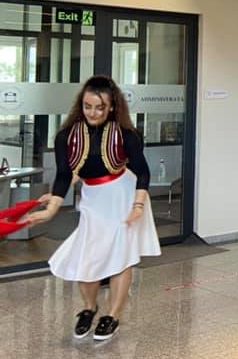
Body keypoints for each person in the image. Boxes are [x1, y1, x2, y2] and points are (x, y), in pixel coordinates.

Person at [24, 75, 161, 342]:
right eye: (88, 106)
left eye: (100, 107)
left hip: (123, 195)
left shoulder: (127, 135)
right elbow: (65, 174)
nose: (93, 113)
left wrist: (138, 206)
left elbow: (143, 172)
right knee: (87, 254)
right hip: (93, 198)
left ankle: (113, 316)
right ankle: (89, 308)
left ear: (112, 106)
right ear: (81, 104)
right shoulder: (66, 136)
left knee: (122, 256)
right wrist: (52, 207)